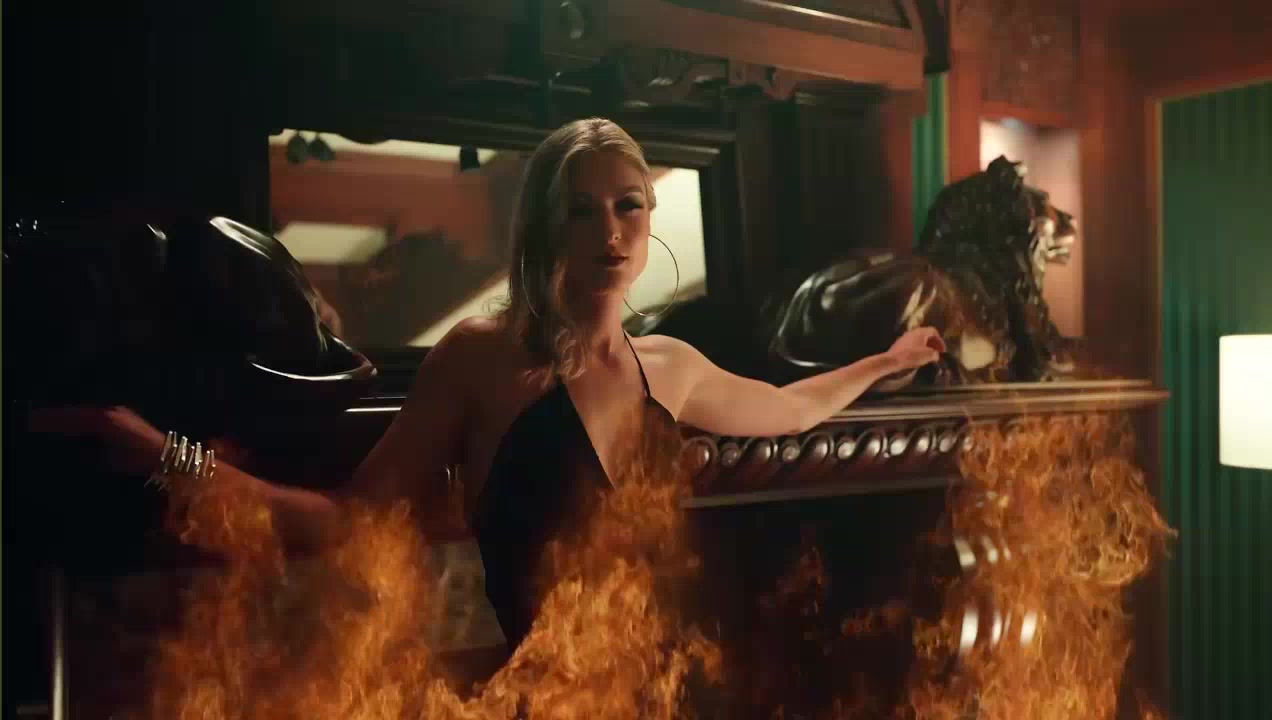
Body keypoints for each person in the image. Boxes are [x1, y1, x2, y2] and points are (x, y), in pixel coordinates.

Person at [32, 117, 944, 652]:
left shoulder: (672, 367)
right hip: (551, 690)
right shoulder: (480, 358)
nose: (611, 232)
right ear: (544, 228)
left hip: (673, 678)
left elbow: (790, 408)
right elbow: (345, 522)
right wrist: (163, 454)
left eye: (628, 204)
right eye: (580, 210)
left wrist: (888, 361)